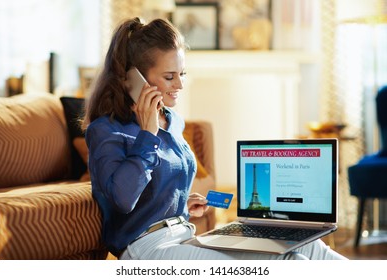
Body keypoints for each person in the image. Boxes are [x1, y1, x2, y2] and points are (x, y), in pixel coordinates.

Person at [82, 17, 347, 260]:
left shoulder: (172, 121)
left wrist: (180, 205)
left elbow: (150, 193)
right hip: (145, 249)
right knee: (290, 263)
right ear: (133, 79)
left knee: (309, 247)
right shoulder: (106, 130)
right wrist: (147, 134)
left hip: (184, 238)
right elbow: (123, 198)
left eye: (182, 74)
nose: (180, 85)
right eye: (169, 77)